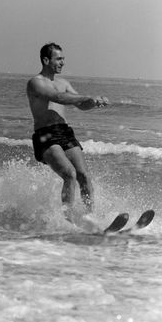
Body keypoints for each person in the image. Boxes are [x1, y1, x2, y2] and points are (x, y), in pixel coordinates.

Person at [27, 42, 109, 224]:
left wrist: (94, 103)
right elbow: (57, 97)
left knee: (84, 176)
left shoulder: (64, 83)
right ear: (46, 60)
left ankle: (90, 218)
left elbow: (80, 104)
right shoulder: (35, 83)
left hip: (64, 132)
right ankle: (68, 221)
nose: (63, 62)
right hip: (45, 135)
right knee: (69, 174)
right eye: (59, 59)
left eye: (63, 59)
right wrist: (87, 97)